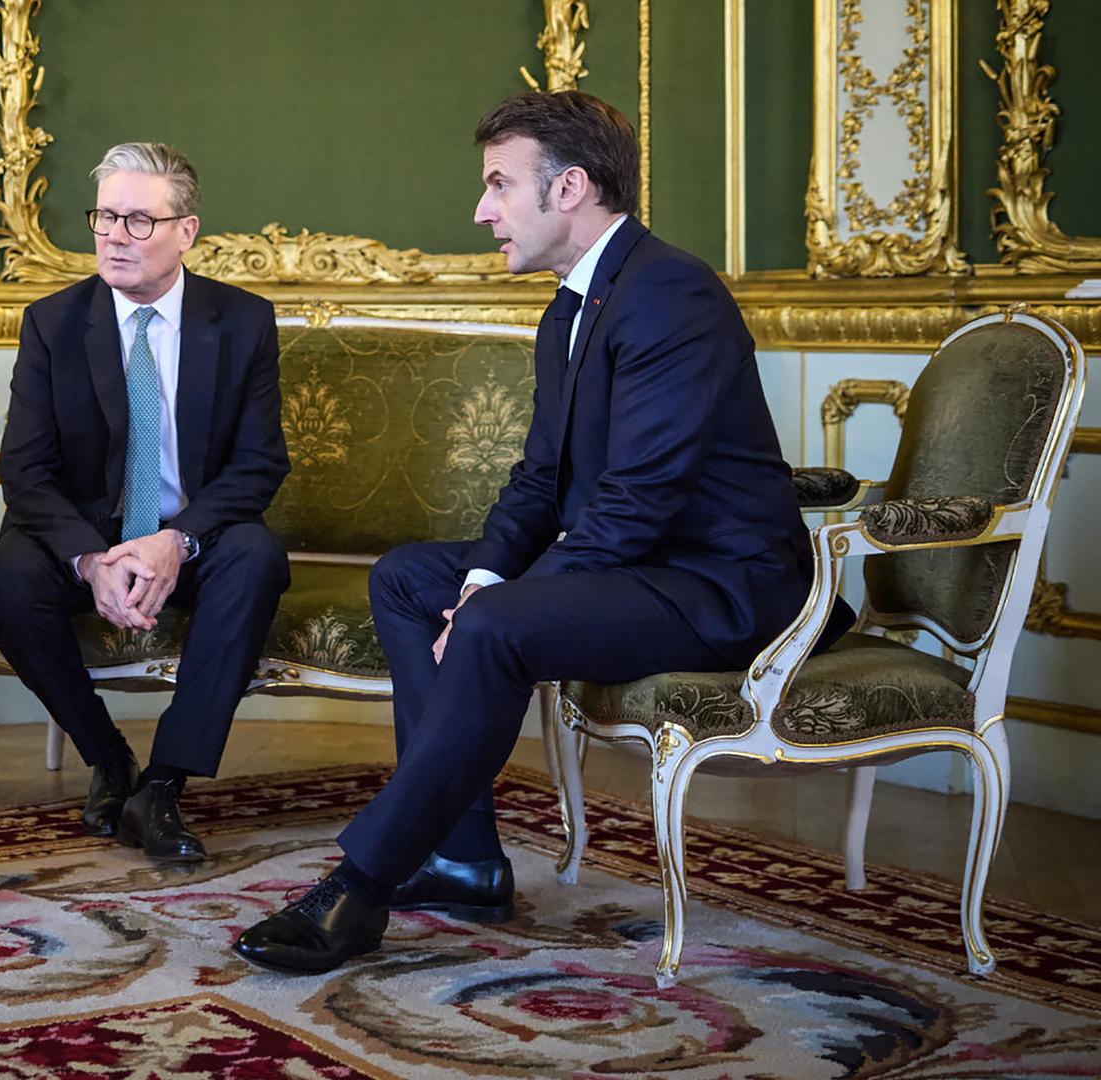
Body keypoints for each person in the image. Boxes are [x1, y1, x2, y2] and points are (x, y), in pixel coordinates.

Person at [233, 91, 850, 974]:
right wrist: (482, 579)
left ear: (570, 188)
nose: (481, 211)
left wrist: (499, 604)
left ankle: (361, 887)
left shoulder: (670, 291)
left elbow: (638, 499)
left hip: (723, 583)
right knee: (413, 579)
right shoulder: (571, 304)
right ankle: (463, 858)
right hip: (639, 568)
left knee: (493, 623)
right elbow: (539, 480)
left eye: (497, 186)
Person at [0, 142, 290, 864]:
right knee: (8, 576)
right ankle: (108, 757)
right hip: (84, 530)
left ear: (186, 232)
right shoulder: (54, 324)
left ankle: (164, 785)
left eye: (139, 221)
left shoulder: (241, 321)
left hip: (194, 532)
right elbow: (26, 469)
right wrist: (90, 558)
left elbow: (258, 464)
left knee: (257, 556)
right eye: (105, 217)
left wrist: (175, 542)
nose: (115, 235)